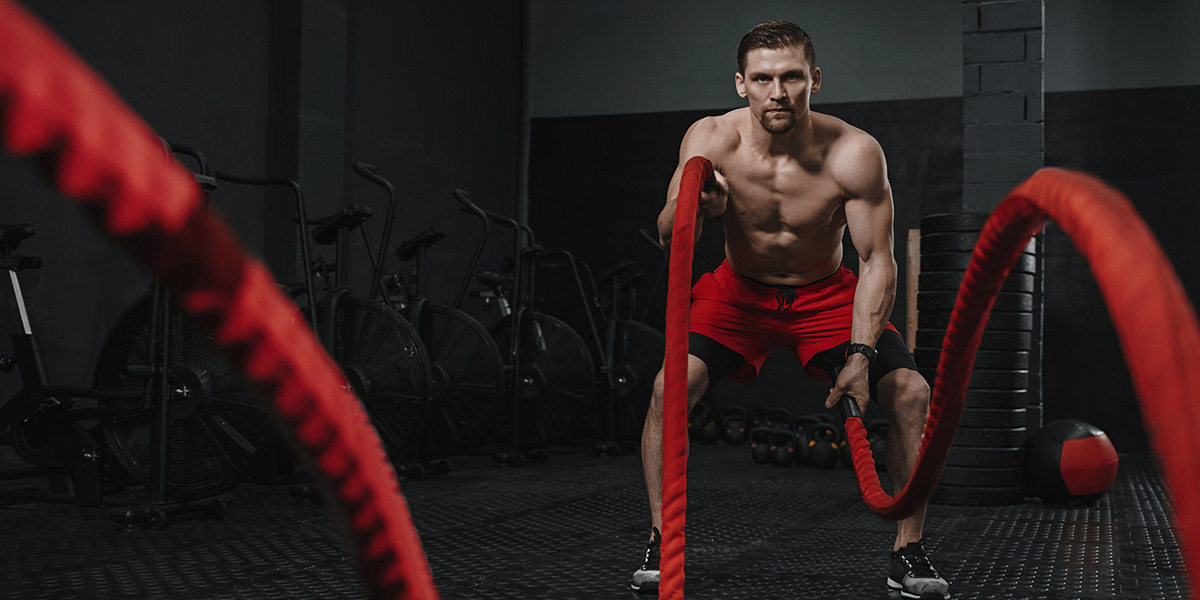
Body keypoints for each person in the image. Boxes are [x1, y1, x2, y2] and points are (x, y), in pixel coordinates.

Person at [630, 20, 951, 600]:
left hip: (825, 294)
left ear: (815, 79)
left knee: (911, 393)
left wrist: (860, 352)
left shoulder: (852, 152)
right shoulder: (708, 140)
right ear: (740, 83)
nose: (776, 92)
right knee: (666, 390)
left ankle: (909, 552)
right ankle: (661, 536)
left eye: (791, 77)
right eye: (762, 79)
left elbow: (878, 260)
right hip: (737, 293)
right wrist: (696, 208)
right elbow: (664, 233)